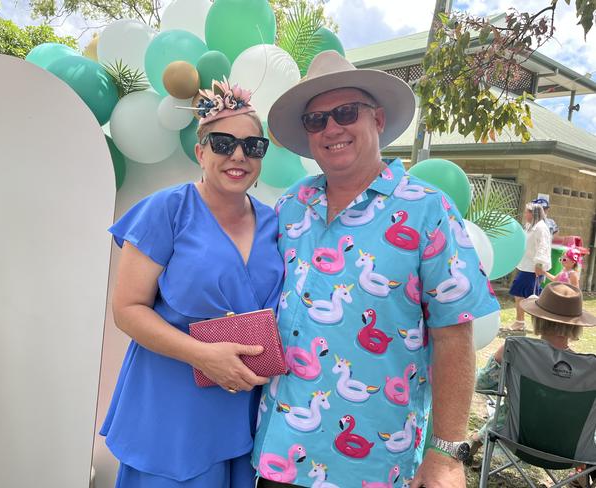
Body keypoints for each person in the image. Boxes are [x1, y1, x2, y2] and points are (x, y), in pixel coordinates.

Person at [252, 51, 500, 488]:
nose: (331, 128)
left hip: (373, 467)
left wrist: (445, 455)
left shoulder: (427, 210)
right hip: (282, 455)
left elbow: (453, 336)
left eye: (345, 112)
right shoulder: (291, 207)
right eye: (316, 120)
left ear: (378, 119)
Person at [99, 79, 284, 488]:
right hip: (171, 406)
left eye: (253, 147)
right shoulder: (167, 210)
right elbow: (126, 310)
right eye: (223, 143)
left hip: (242, 407)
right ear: (201, 152)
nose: (238, 155)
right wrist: (202, 355)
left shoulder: (276, 222)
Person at [470, 282, 595, 479]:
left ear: (538, 319)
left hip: (515, 439)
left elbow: (482, 384)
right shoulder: (588, 370)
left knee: (505, 412)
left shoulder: (514, 350)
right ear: (576, 327)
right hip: (569, 451)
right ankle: (582, 476)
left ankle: (474, 442)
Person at [508, 202, 552, 331]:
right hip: (525, 265)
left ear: (533, 214)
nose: (525, 214)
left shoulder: (540, 228)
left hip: (533, 267)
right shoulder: (529, 226)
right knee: (526, 295)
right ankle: (524, 322)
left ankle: (522, 322)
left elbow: (543, 246)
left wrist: (539, 264)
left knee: (525, 295)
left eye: (527, 212)